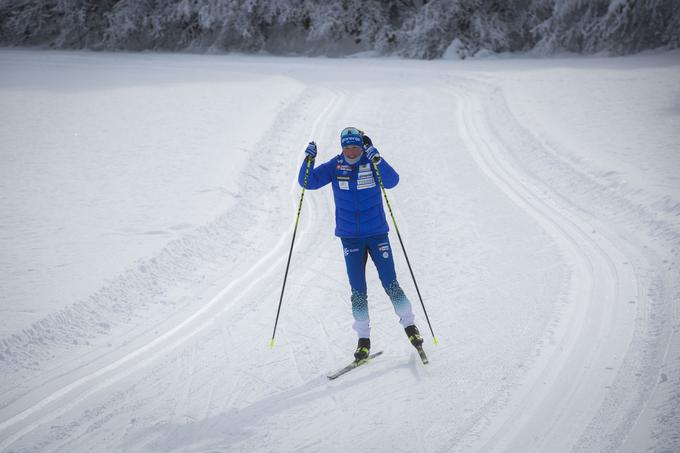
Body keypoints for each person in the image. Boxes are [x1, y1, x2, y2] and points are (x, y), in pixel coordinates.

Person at [298, 126, 424, 361]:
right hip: (350, 237)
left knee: (391, 283)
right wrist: (308, 159)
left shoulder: (371, 161)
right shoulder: (336, 166)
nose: (352, 151)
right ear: (342, 147)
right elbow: (308, 182)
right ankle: (363, 340)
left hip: (377, 235)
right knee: (358, 291)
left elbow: (393, 181)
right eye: (347, 147)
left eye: (355, 146)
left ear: (361, 145)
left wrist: (378, 157)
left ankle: (410, 327)